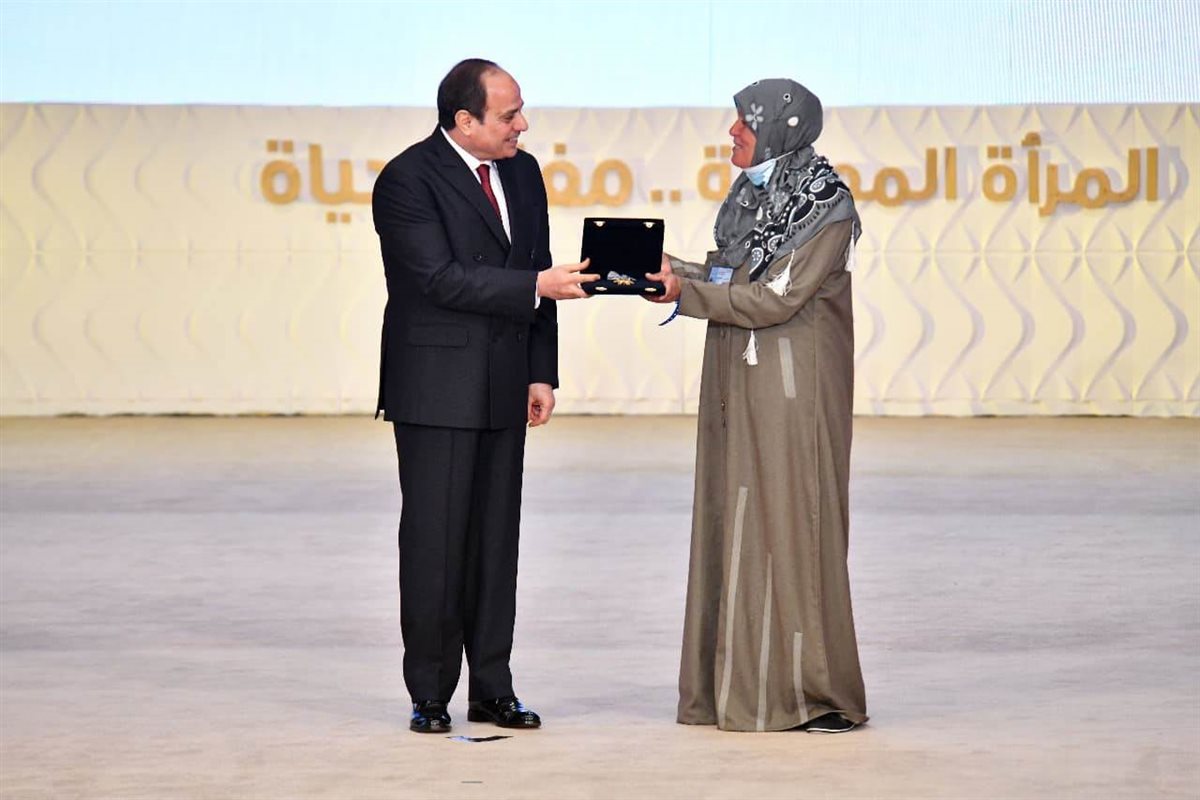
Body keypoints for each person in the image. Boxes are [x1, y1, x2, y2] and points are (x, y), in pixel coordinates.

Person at [372, 58, 596, 734]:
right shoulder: (407, 179)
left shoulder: (523, 172)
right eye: (509, 115)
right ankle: (430, 692)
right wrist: (534, 287)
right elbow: (438, 279)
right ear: (464, 120)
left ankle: (493, 688)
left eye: (520, 110)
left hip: (504, 384)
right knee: (436, 544)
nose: (522, 125)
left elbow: (538, 267)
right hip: (436, 390)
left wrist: (540, 371)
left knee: (497, 545)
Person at [646, 79, 868, 733]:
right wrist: (673, 272)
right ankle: (734, 688)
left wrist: (686, 296)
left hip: (793, 389)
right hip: (740, 380)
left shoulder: (824, 204)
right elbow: (732, 277)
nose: (733, 132)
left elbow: (778, 298)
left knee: (792, 524)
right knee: (737, 520)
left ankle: (814, 693)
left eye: (745, 121)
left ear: (780, 128)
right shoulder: (754, 198)